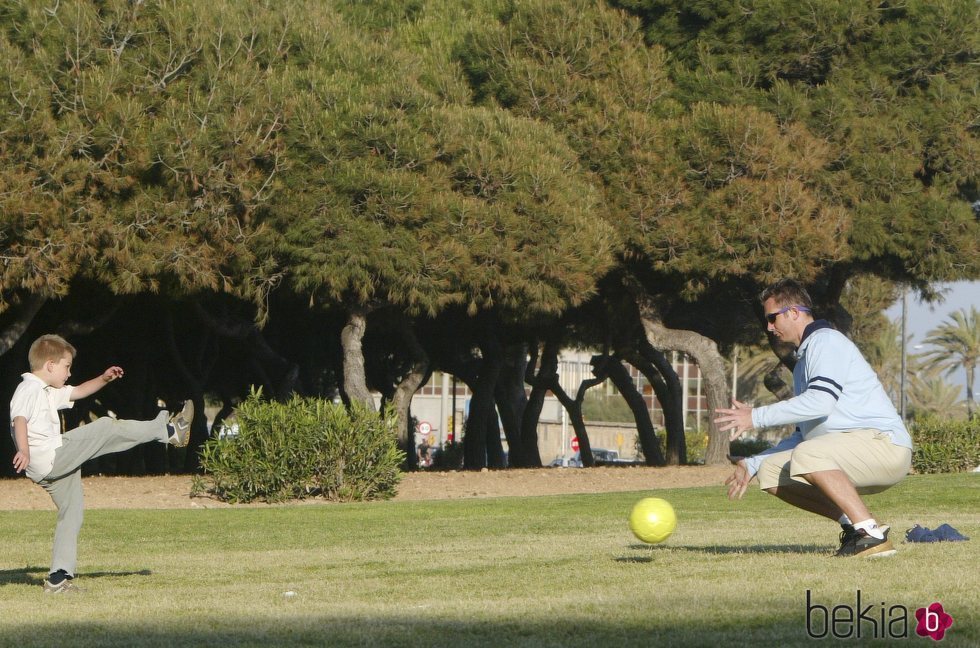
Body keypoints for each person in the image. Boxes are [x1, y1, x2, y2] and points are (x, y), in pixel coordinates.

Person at [713, 279, 913, 558]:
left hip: (885, 446)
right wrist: (753, 463)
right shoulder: (803, 363)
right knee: (771, 472)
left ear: (794, 312)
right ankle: (857, 526)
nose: (769, 327)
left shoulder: (826, 341)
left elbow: (820, 401)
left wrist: (755, 417)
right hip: (851, 450)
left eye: (772, 318)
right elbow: (803, 435)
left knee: (807, 455)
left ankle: (872, 535)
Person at [9, 334, 194, 593]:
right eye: (66, 366)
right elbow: (19, 419)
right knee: (106, 427)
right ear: (49, 365)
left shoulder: (48, 391)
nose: (69, 372)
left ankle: (58, 579)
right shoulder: (28, 388)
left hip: (49, 466)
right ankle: (168, 430)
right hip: (49, 456)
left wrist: (103, 379)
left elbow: (79, 391)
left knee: (71, 514)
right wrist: (25, 451)